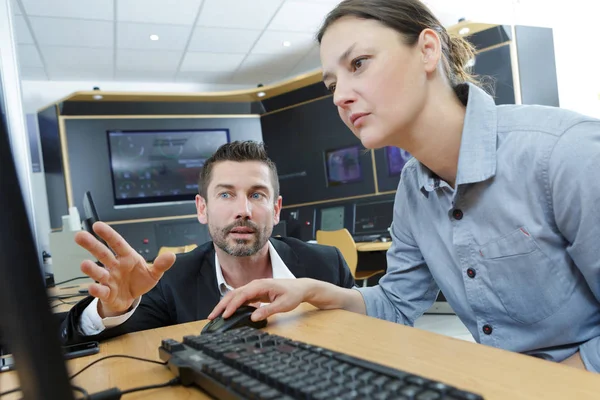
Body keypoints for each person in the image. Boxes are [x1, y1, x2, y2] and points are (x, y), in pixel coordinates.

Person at [209, 0, 600, 373]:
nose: (341, 97)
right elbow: (397, 303)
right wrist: (313, 291)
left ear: (428, 50)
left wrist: (546, 384)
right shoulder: (413, 190)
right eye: (331, 85)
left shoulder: (565, 153)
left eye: (359, 63)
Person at [60, 141, 355, 345]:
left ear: (276, 209)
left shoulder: (326, 265)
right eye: (226, 194)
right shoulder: (171, 281)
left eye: (257, 195)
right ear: (202, 209)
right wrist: (111, 311)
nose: (244, 210)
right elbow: (84, 344)